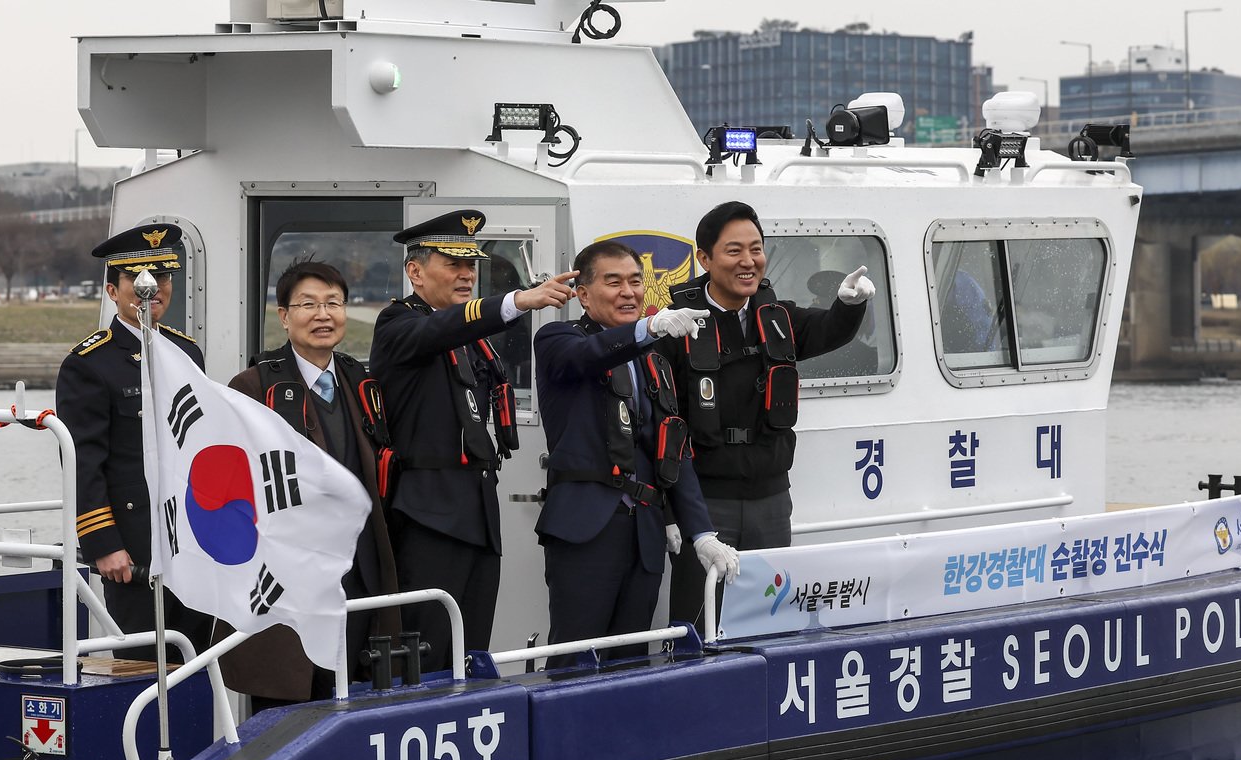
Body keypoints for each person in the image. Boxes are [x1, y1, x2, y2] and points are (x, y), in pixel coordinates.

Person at [370, 209, 574, 673]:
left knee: (470, 650)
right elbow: (440, 330)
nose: (467, 275)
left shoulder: (470, 336)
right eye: (454, 264)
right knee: (426, 652)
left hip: (478, 512)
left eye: (471, 265)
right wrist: (516, 302)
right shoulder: (398, 325)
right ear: (415, 272)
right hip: (429, 515)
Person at [656, 201, 876, 625]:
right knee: (699, 619)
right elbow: (660, 423)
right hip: (705, 500)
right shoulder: (676, 326)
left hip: (770, 498)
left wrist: (849, 306)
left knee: (769, 616)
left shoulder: (776, 317)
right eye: (734, 250)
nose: (748, 261)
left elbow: (826, 329)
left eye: (756, 249)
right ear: (704, 258)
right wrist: (670, 512)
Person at [533, 241, 739, 663]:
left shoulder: (652, 359)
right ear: (584, 295)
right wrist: (648, 329)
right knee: (576, 656)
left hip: (644, 532)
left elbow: (671, 446)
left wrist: (701, 531)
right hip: (586, 531)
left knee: (631, 658)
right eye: (614, 282)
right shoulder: (558, 338)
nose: (629, 292)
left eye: (635, 281)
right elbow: (586, 356)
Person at [222, 258, 401, 711]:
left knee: (355, 695)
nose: (323, 315)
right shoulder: (253, 386)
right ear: (283, 316)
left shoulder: (360, 381)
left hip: (356, 571)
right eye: (308, 305)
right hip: (289, 577)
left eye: (333, 304)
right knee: (286, 702)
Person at [55, 224, 214, 657]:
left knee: (197, 661)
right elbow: (82, 463)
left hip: (191, 537)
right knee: (142, 668)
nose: (154, 288)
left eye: (163, 277)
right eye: (139, 279)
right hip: (134, 546)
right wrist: (103, 544)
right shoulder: (89, 363)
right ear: (113, 289)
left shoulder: (187, 352)